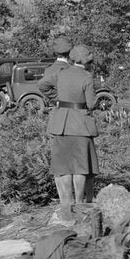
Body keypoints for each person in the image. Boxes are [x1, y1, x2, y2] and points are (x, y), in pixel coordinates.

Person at [41, 45, 99, 204]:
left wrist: (57, 99)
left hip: (60, 123)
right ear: (85, 62)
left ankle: (66, 204)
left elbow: (42, 85)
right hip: (80, 125)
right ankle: (80, 204)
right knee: (80, 166)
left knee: (64, 167)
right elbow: (91, 103)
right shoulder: (87, 77)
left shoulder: (60, 74)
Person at [38, 37, 73, 106]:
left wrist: (56, 99)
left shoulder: (48, 69)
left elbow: (44, 88)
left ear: (56, 52)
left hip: (54, 111)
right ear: (69, 52)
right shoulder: (70, 69)